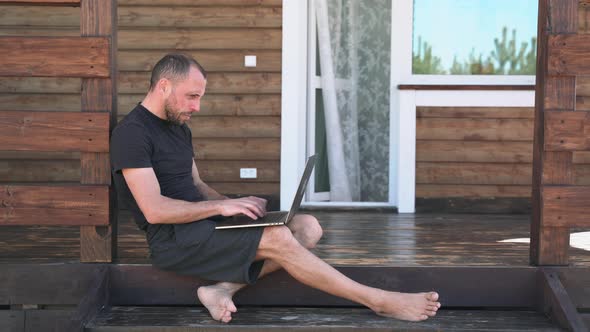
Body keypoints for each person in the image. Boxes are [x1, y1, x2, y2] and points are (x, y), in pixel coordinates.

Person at [110, 53, 441, 324]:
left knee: (306, 227)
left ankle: (222, 290)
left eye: (200, 98)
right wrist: (220, 209)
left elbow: (195, 184)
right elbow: (154, 209)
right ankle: (379, 300)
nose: (196, 106)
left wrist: (235, 204)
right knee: (280, 238)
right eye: (192, 97)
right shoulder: (132, 134)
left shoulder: (179, 127)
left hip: (203, 226)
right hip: (173, 239)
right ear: (164, 86)